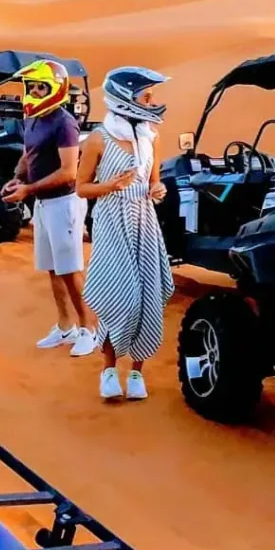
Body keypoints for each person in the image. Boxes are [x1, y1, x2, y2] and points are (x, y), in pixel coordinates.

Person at [76, 66, 174, 400]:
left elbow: (153, 180)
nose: (153, 101)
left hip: (143, 220)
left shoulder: (152, 136)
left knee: (148, 297)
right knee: (120, 296)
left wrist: (157, 189)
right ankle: (107, 370)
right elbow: (81, 188)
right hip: (110, 220)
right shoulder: (97, 139)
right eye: (147, 96)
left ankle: (136, 373)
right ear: (125, 98)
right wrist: (109, 185)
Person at [1, 58, 97, 356]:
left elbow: (69, 171)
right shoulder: (32, 118)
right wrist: (17, 178)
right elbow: (28, 155)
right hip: (43, 204)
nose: (34, 91)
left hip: (65, 203)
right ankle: (65, 326)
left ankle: (89, 329)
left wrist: (28, 189)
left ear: (55, 88)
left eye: (40, 86)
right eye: (32, 86)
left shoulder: (64, 123)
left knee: (70, 270)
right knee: (53, 269)